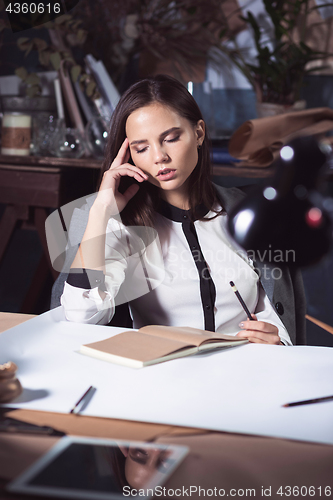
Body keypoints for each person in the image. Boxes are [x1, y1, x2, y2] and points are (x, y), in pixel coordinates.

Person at [59, 75, 306, 345]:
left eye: (171, 138)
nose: (159, 156)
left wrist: (278, 339)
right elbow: (80, 316)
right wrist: (101, 212)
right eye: (142, 148)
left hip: (245, 373)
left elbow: (278, 314)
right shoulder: (123, 227)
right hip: (162, 376)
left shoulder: (246, 214)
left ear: (198, 133)